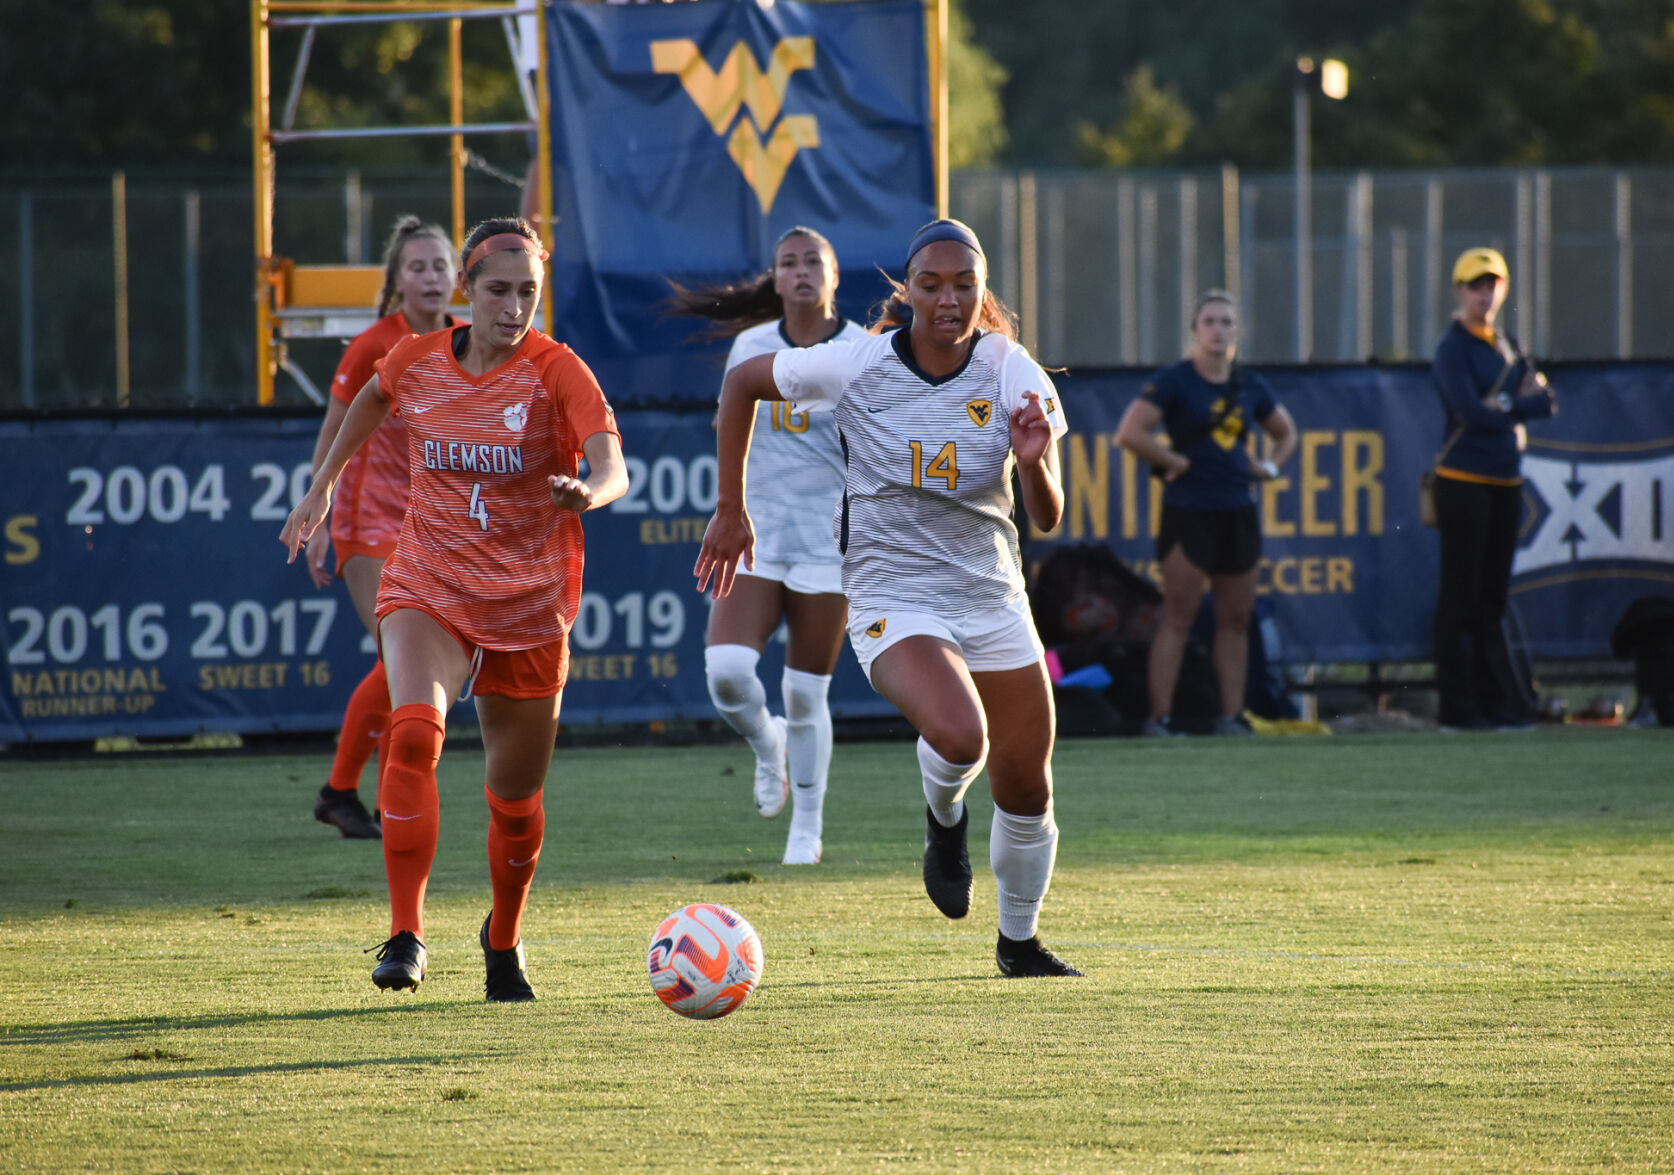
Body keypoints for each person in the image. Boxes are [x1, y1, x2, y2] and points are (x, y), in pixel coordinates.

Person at [696, 218, 1084, 978]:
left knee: (1027, 782)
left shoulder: (1011, 370)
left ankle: (1018, 942)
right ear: (906, 294)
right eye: (931, 284)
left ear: (981, 293)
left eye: (963, 284)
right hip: (889, 590)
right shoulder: (857, 363)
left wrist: (1034, 464)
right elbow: (743, 384)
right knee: (960, 733)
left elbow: (1046, 514)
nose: (948, 298)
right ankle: (944, 823)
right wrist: (730, 508)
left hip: (989, 593)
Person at [280, 217, 627, 1000]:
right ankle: (406, 934)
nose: (513, 308)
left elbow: (612, 463)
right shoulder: (416, 357)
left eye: (528, 293)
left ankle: (501, 937)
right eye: (498, 290)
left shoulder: (556, 369)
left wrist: (589, 491)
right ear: (467, 290)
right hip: (428, 581)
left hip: (528, 604)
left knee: (515, 805)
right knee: (411, 736)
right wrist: (324, 484)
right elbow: (372, 397)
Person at [671, 227, 866, 866]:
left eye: (815, 261)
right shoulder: (752, 346)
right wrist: (731, 508)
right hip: (756, 535)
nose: (803, 270)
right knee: (727, 675)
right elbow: (730, 422)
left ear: (834, 277)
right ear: (776, 280)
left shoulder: (862, 350)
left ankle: (806, 830)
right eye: (790, 262)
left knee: (807, 693)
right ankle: (765, 745)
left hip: (828, 543)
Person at [305, 216, 458, 840]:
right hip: (366, 520)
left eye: (440, 266)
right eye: (417, 267)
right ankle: (352, 792)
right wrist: (318, 514)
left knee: (416, 665)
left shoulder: (469, 340)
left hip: (431, 525)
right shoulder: (374, 344)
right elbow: (334, 431)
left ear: (460, 278)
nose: (430, 277)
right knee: (402, 661)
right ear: (396, 281)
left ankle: (348, 791)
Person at [1112, 290, 1297, 737]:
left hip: (1238, 509)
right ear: (1196, 330)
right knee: (1178, 617)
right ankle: (1160, 719)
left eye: (1227, 322)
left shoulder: (1249, 385)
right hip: (1188, 511)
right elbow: (1130, 432)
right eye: (1210, 321)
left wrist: (1268, 468)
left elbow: (1286, 434)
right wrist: (1173, 463)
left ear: (1237, 331)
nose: (1218, 330)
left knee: (1234, 621)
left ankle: (1229, 717)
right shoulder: (1176, 380)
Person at [1429, 246, 1556, 731]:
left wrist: (1504, 403)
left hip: (1506, 479)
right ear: (1459, 291)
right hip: (1463, 481)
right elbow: (1470, 412)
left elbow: (1546, 402)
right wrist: (1512, 403)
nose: (1485, 294)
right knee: (1460, 597)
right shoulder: (1452, 347)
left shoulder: (1508, 344)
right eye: (1476, 285)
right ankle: (1458, 709)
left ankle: (1493, 702)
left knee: (1492, 598)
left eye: (1492, 285)